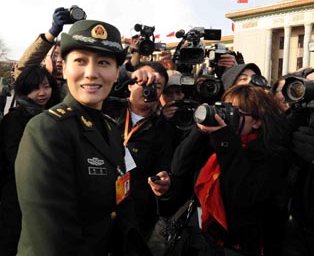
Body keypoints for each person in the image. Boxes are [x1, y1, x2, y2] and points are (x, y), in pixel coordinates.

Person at [15, 19, 156, 256]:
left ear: (116, 73)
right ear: (64, 67)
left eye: (103, 63)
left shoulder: (110, 127)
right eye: (80, 61)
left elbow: (120, 203)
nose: (91, 73)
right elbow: (50, 239)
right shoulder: (47, 129)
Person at [164, 85, 291, 256]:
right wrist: (199, 132)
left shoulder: (269, 155)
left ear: (257, 121)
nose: (226, 116)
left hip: (242, 247)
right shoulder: (216, 144)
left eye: (236, 112)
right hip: (204, 243)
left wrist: (225, 141)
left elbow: (242, 196)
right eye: (224, 108)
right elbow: (178, 167)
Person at [103, 61, 174, 239]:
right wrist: (126, 76)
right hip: (98, 200)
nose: (149, 89)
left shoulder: (164, 129)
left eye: (157, 86)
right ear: (131, 84)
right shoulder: (107, 106)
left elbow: (163, 168)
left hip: (136, 210)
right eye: (144, 82)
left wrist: (163, 181)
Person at [0, 65, 60, 256]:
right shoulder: (15, 120)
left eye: (45, 86)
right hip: (17, 196)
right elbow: (16, 159)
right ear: (24, 91)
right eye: (34, 89)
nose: (42, 93)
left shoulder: (57, 116)